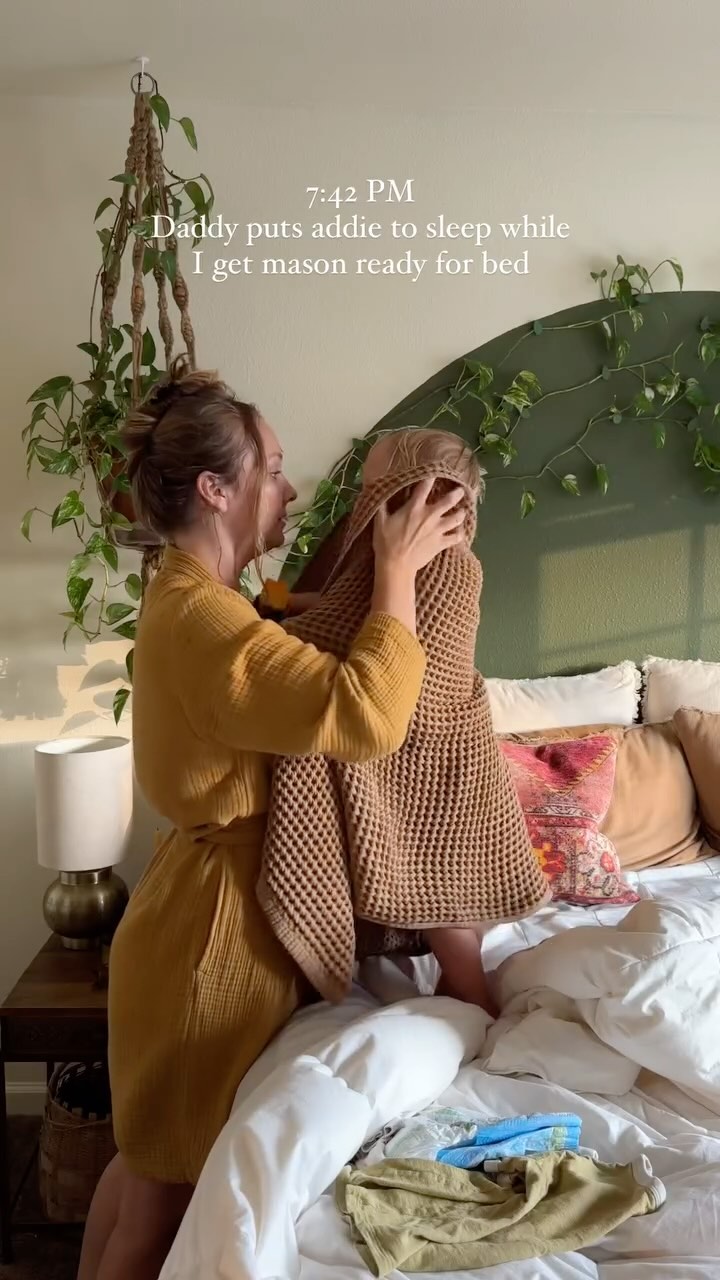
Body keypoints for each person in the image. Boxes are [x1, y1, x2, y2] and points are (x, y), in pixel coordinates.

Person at [77, 357, 467, 1280]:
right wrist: (398, 570)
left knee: (141, 1172)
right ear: (217, 489)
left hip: (188, 919)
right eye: (276, 469)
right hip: (205, 947)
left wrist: (332, 585)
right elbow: (367, 717)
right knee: (164, 1204)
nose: (291, 490)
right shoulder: (205, 623)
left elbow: (271, 636)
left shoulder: (200, 598)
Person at [260, 426, 549, 1017]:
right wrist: (287, 607)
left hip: (434, 751)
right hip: (426, 743)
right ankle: (458, 990)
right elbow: (354, 610)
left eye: (375, 487)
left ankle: (474, 996)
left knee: (432, 880)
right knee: (434, 880)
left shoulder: (447, 567)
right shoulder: (392, 561)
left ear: (419, 494)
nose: (364, 501)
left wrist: (280, 634)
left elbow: (387, 647)